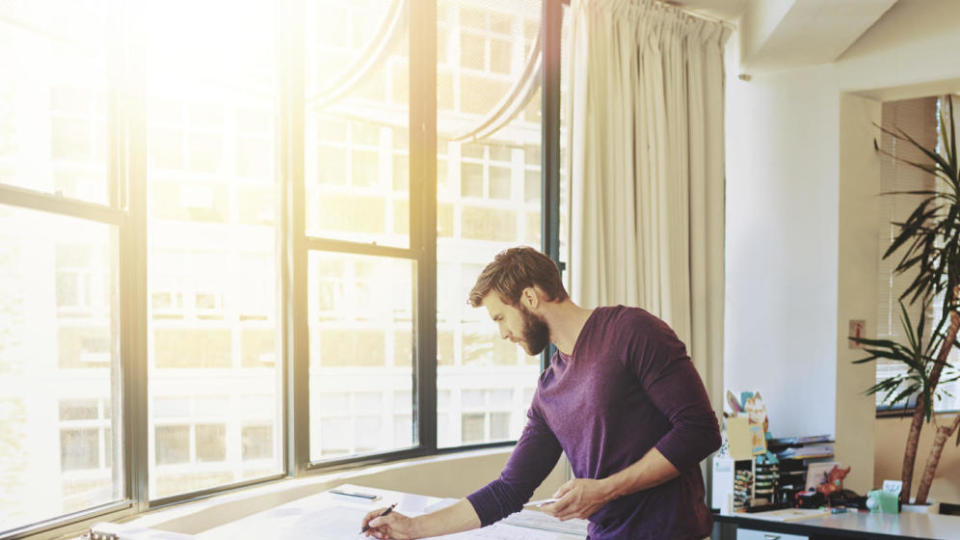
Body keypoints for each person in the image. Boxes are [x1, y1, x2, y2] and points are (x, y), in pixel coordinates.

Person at [362, 246, 721, 539]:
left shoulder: (631, 331)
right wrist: (412, 528)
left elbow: (700, 430)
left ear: (530, 298)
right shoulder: (549, 390)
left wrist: (607, 489)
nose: (502, 334)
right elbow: (509, 490)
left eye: (500, 318)